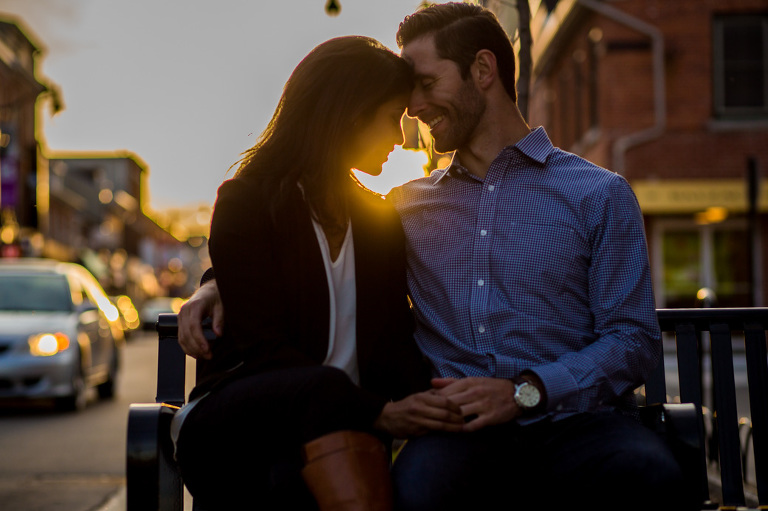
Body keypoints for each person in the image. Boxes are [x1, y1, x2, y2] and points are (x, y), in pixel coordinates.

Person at [179, 4, 692, 511]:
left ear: (483, 70)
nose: (414, 109)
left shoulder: (598, 195)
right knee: (419, 495)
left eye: (425, 85)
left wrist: (523, 394)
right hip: (456, 431)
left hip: (579, 422)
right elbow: (289, 244)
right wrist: (216, 283)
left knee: (650, 475)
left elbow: (633, 340)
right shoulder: (401, 210)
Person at [171, 35, 465, 511]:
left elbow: (391, 335)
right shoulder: (247, 203)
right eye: (392, 117)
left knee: (298, 478)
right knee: (319, 397)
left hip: (342, 432)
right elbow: (265, 351)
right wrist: (382, 413)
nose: (401, 139)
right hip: (243, 425)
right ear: (349, 112)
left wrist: (435, 400)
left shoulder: (378, 218)